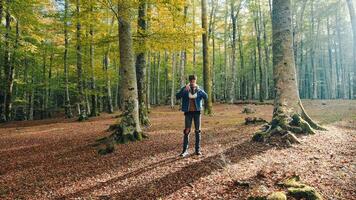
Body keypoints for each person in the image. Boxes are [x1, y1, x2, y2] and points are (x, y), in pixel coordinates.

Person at [176, 75, 208, 157]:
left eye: (194, 81)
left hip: (197, 112)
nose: (192, 82)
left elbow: (206, 97)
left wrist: (199, 90)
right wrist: (184, 90)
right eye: (191, 81)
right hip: (188, 113)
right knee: (187, 131)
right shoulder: (185, 88)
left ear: (196, 80)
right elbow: (177, 96)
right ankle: (184, 151)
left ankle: (197, 150)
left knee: (198, 131)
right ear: (189, 81)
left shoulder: (199, 88)